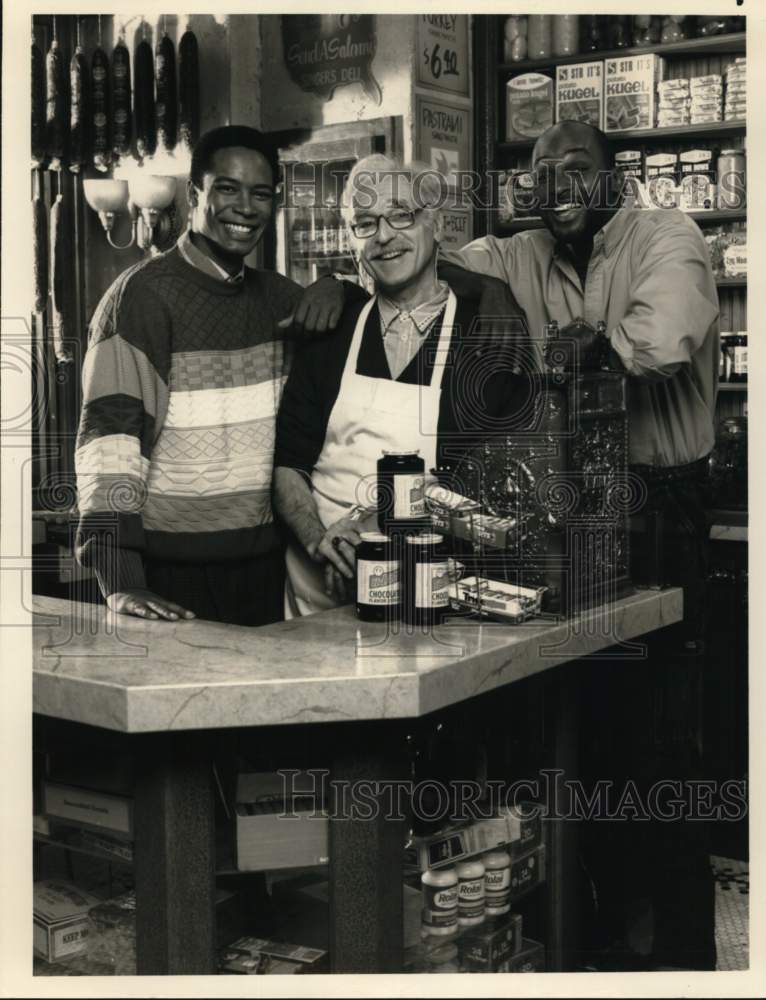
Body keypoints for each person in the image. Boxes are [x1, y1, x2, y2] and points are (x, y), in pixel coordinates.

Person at [289, 122, 719, 969]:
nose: (556, 184)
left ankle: (679, 959)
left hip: (657, 509)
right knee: (578, 735)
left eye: (577, 169)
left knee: (665, 748)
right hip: (570, 518)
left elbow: (661, 341)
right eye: (540, 172)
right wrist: (338, 282)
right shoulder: (515, 255)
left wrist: (584, 348)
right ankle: (589, 944)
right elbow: (412, 252)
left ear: (614, 177)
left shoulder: (671, 236)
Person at [273, 154, 529, 617]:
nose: (384, 235)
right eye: (365, 223)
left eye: (400, 215)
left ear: (434, 224)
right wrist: (318, 540)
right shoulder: (332, 328)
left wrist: (375, 529)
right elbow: (289, 463)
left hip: (426, 589)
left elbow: (495, 485)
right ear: (353, 242)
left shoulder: (485, 333)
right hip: (316, 596)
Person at [74, 125, 303, 626]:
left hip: (265, 574)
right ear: (195, 194)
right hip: (165, 579)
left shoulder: (283, 300)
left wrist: (336, 290)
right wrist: (122, 580)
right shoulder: (139, 300)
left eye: (260, 193)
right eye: (227, 188)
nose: (245, 207)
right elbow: (110, 447)